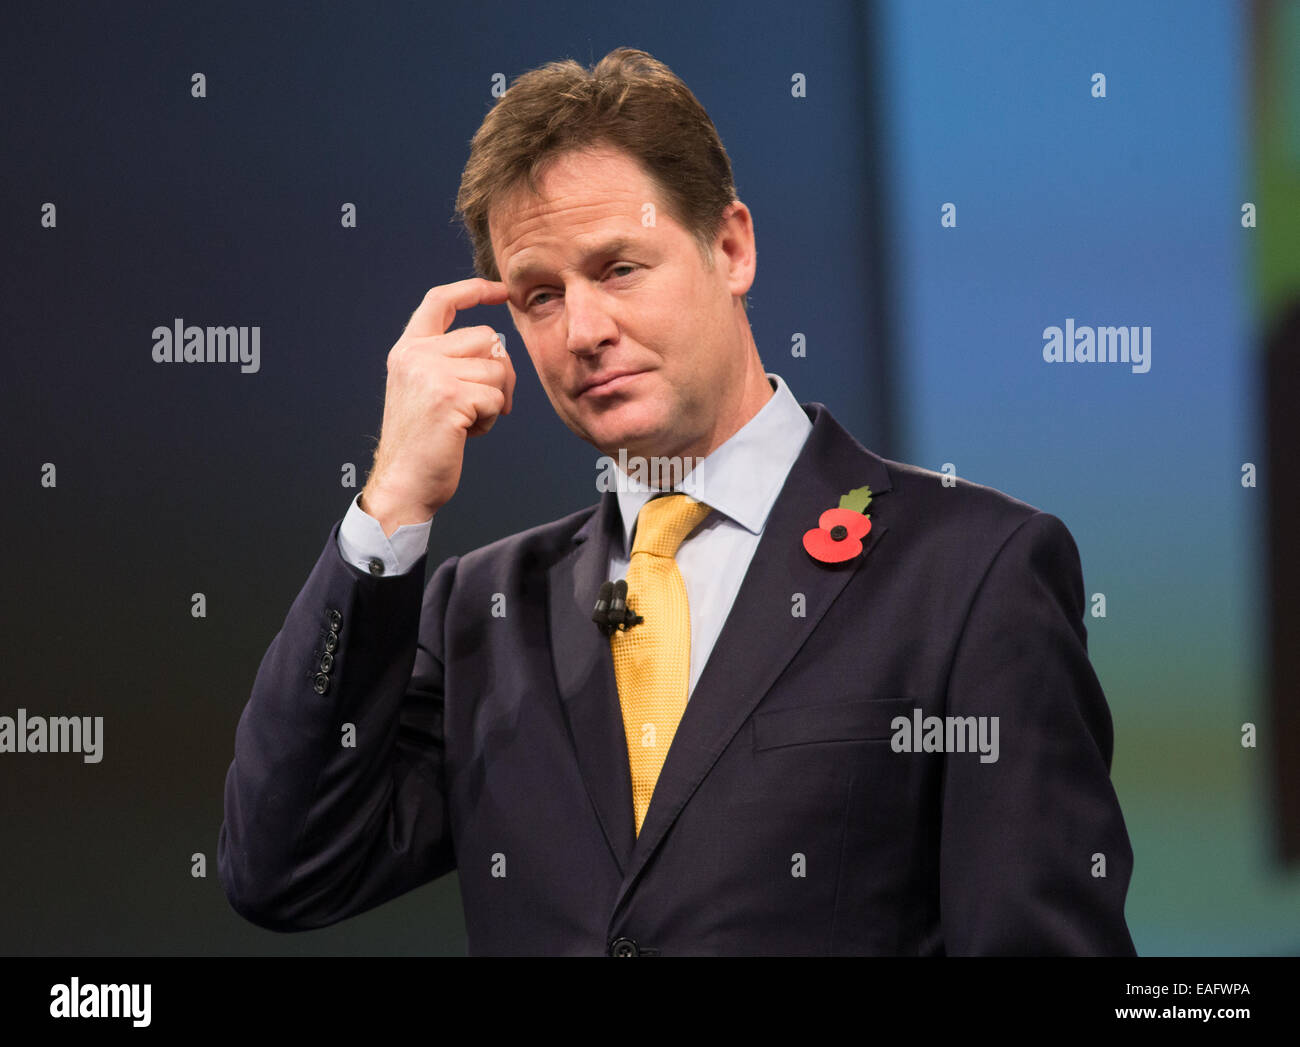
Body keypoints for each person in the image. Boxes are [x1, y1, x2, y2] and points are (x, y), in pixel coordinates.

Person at [217, 47, 1136, 955]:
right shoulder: (482, 615)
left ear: (730, 247)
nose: (583, 331)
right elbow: (285, 867)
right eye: (540, 295)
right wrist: (389, 504)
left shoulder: (971, 572)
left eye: (619, 268)